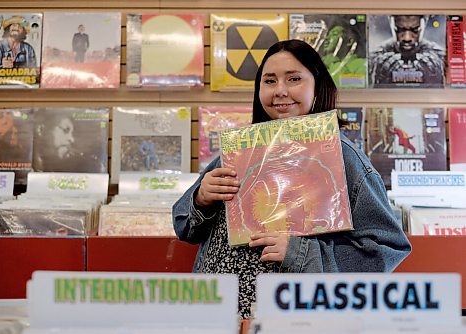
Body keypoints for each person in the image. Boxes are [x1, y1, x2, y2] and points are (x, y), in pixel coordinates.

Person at [172, 39, 411, 319]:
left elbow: (387, 248)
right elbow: (184, 227)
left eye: (294, 79)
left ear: (316, 85)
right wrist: (201, 199)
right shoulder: (240, 149)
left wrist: (299, 253)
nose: (280, 91)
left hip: (296, 318)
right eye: (269, 81)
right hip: (216, 315)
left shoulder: (343, 156)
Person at [369, 15, 445, 87]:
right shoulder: (375, 59)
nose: (407, 38)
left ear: (424, 25)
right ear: (391, 25)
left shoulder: (439, 57)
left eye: (415, 30)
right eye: (400, 30)